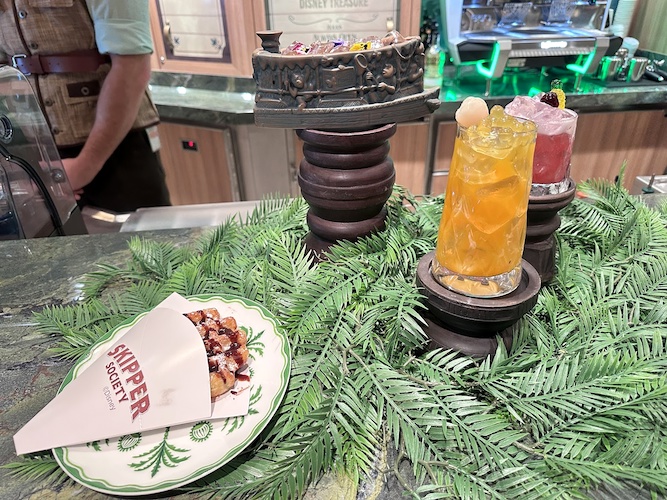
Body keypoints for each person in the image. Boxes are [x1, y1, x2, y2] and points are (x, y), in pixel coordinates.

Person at [0, 0, 171, 213]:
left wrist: (85, 165)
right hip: (32, 161)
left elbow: (132, 66)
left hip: (115, 150)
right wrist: (13, 167)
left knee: (136, 234)